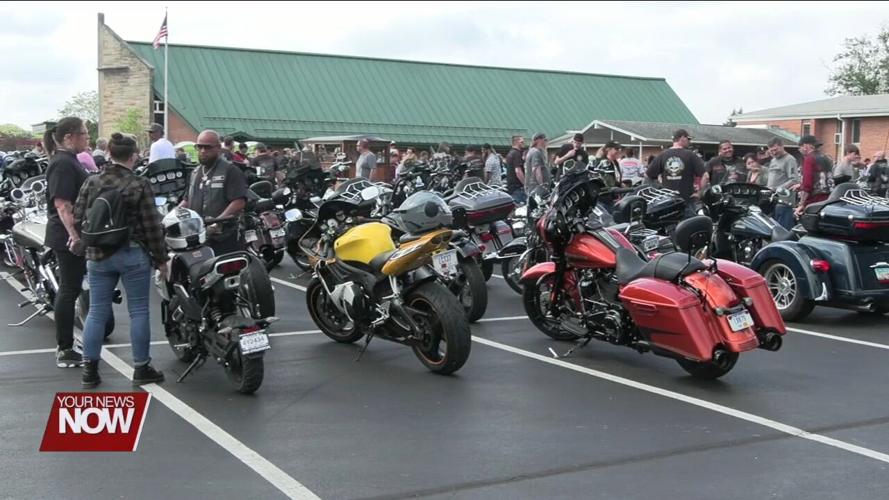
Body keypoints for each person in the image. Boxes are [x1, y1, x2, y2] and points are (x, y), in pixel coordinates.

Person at [73, 133, 168, 388]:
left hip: (98, 255)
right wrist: (162, 259)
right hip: (132, 253)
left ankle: (89, 371)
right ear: (134, 156)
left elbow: (78, 216)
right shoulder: (140, 184)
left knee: (96, 312)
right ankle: (141, 367)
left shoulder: (92, 181)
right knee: (138, 311)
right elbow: (152, 225)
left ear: (110, 154)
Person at [43, 117, 91, 368]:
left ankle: (69, 344)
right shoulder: (62, 164)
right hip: (67, 237)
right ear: (70, 137)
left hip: (72, 235)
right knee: (69, 289)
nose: (88, 137)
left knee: (71, 288)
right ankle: (65, 348)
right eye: (84, 134)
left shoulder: (69, 161)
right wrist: (75, 236)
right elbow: (63, 204)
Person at [179, 130, 248, 255]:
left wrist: (217, 222)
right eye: (199, 147)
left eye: (207, 147)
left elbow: (239, 201)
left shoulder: (230, 170)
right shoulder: (195, 172)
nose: (203, 151)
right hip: (197, 235)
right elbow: (187, 199)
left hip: (224, 237)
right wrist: (172, 215)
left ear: (218, 148)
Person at [645, 129, 706, 218]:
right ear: (682, 138)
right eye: (688, 139)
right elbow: (705, 175)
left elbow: (647, 176)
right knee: (688, 229)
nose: (689, 142)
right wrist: (700, 193)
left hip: (667, 203)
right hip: (687, 201)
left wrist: (657, 191)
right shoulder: (690, 155)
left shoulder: (662, 155)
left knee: (670, 229)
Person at [766, 138, 799, 230]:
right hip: (772, 198)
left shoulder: (789, 159)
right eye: (771, 151)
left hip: (784, 200)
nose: (774, 153)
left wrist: (778, 189)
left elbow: (794, 180)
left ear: (782, 146)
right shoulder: (773, 160)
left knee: (783, 228)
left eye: (775, 150)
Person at [794, 135, 831, 218]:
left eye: (799, 147)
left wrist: (801, 204)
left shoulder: (809, 159)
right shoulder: (826, 158)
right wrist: (800, 185)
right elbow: (822, 178)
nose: (799, 150)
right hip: (828, 198)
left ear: (806, 146)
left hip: (814, 201)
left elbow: (807, 184)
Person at [505, 135, 526, 203]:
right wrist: (525, 184)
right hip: (517, 187)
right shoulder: (516, 154)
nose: (523, 143)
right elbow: (518, 171)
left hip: (512, 186)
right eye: (522, 142)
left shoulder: (510, 153)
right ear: (516, 142)